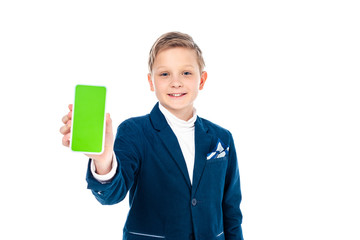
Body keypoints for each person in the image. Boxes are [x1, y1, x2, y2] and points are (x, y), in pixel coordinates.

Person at [60, 32, 244, 240]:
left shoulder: (222, 138)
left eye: (186, 73)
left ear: (201, 80)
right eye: (164, 74)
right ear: (151, 81)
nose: (176, 82)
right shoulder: (135, 131)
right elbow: (112, 194)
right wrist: (103, 159)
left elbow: (231, 212)